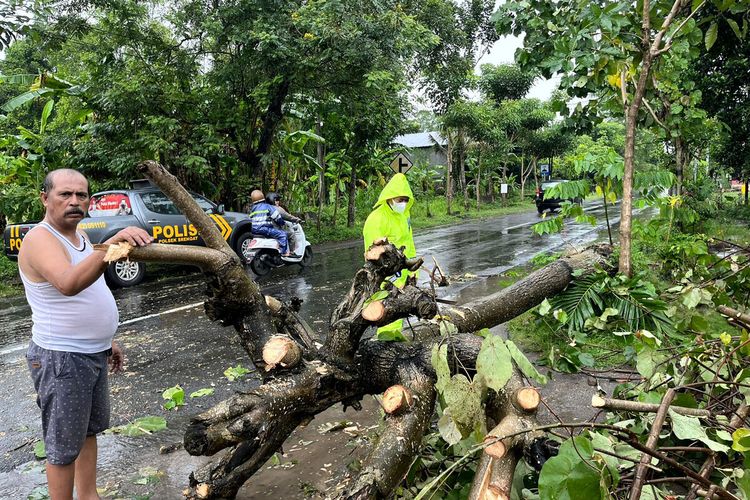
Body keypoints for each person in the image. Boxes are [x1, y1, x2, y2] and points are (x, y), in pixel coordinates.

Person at [18, 169, 153, 500]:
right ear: (45, 198)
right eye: (65, 194)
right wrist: (112, 245)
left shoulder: (79, 238)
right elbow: (68, 283)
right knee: (63, 444)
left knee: (88, 432)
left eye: (82, 195)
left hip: (91, 352)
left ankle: (88, 495)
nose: (75, 201)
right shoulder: (40, 238)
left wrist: (107, 341)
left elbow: (89, 293)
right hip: (62, 357)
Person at [362, 173, 417, 335]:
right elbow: (373, 256)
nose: (403, 203)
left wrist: (413, 272)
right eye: (400, 200)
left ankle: (394, 346)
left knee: (398, 314)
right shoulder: (376, 219)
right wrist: (391, 280)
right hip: (385, 279)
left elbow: (410, 244)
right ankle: (384, 348)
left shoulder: (404, 216)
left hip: (403, 274)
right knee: (385, 314)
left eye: (406, 200)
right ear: (390, 197)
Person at [249, 189, 296, 257]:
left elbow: (250, 217)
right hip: (265, 229)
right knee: (283, 234)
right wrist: (282, 223)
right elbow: (277, 217)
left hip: (254, 230)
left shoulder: (253, 209)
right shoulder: (268, 207)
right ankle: (284, 252)